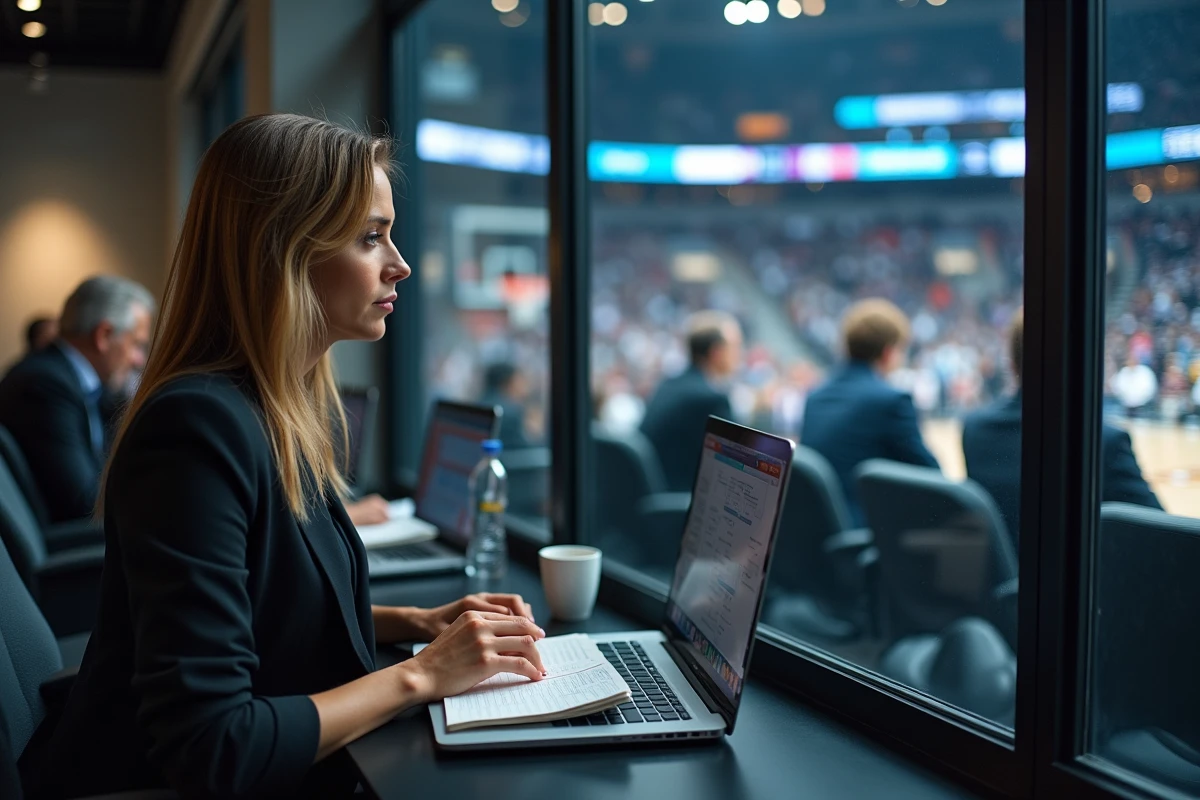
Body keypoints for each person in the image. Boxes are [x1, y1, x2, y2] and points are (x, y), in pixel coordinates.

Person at [20, 115, 547, 800]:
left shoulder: (279, 411)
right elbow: (216, 746)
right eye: (370, 237)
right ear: (283, 252)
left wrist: (421, 624)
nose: (401, 263)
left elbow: (266, 606)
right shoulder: (194, 429)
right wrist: (421, 674)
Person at [962, 308, 1161, 539]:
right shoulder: (1104, 443)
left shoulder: (975, 430)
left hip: (1006, 573)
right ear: (1081, 363)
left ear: (1013, 364)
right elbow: (1160, 532)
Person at [0, 276, 154, 523]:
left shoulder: (72, 381)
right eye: (136, 344)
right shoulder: (45, 385)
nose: (139, 361)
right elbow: (83, 503)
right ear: (103, 335)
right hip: (69, 545)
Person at [801, 298, 939, 526]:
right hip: (867, 533)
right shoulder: (892, 401)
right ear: (888, 352)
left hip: (817, 530)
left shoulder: (814, 398)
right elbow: (932, 475)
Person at [640, 310, 742, 491]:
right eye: (735, 346)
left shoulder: (668, 385)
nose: (740, 354)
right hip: (683, 500)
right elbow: (740, 457)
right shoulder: (709, 399)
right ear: (717, 352)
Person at [481, 360, 532, 449]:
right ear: (508, 383)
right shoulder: (510, 413)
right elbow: (524, 450)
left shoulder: (479, 403)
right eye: (520, 379)